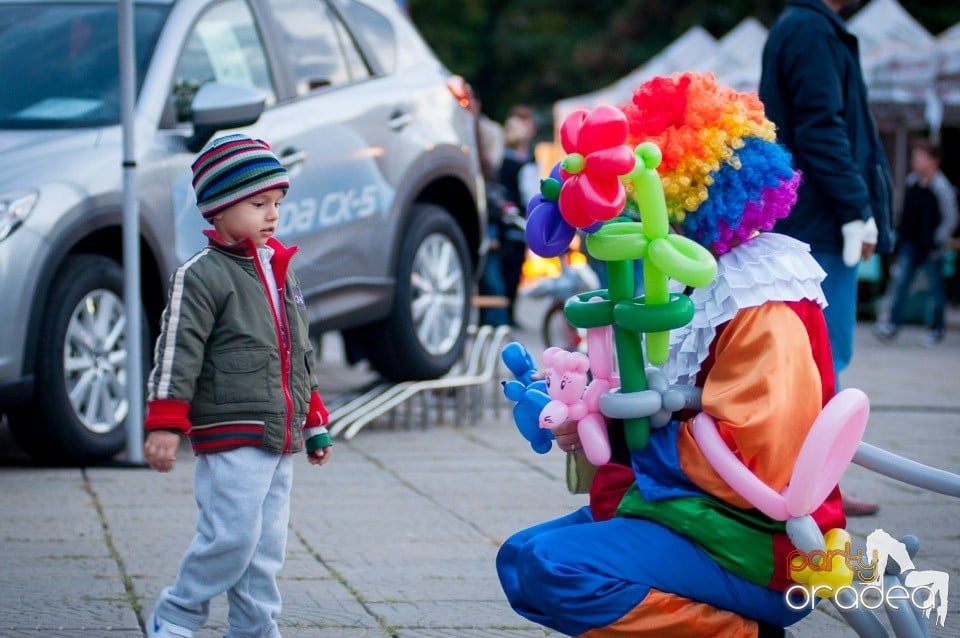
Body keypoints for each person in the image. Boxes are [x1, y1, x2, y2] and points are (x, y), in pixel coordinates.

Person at [497, 72, 845, 637]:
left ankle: (746, 631)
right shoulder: (694, 278)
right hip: (692, 512)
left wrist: (633, 432)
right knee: (519, 558)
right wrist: (597, 417)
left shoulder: (761, 295)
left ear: (684, 189)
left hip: (756, 538)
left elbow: (760, 453)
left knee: (554, 566)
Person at [142, 133, 333, 638]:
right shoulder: (201, 275)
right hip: (231, 430)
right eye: (258, 203)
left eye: (277, 203)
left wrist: (313, 420)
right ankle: (178, 612)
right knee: (229, 537)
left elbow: (299, 353)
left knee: (266, 545)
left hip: (278, 433)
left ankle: (254, 628)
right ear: (220, 210)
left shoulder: (280, 271)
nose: (272, 214)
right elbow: (176, 350)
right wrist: (165, 421)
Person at [760, 0, 893, 517]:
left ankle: (812, 487)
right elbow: (821, 128)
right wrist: (855, 208)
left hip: (809, 216)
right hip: (820, 220)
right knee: (821, 365)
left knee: (813, 363)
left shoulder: (805, 26)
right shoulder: (812, 29)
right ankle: (814, 492)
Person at [874, 139, 958, 346]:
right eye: (915, 157)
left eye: (921, 157)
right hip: (910, 244)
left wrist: (938, 239)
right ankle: (892, 325)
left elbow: (951, 218)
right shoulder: (911, 182)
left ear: (934, 161)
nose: (916, 161)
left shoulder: (941, 187)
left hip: (931, 247)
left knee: (935, 289)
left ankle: (936, 329)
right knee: (901, 284)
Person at [498, 105, 540, 326]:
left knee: (514, 268)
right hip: (515, 219)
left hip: (519, 219)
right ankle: (505, 314)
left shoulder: (522, 158)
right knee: (510, 268)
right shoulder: (514, 161)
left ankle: (509, 313)